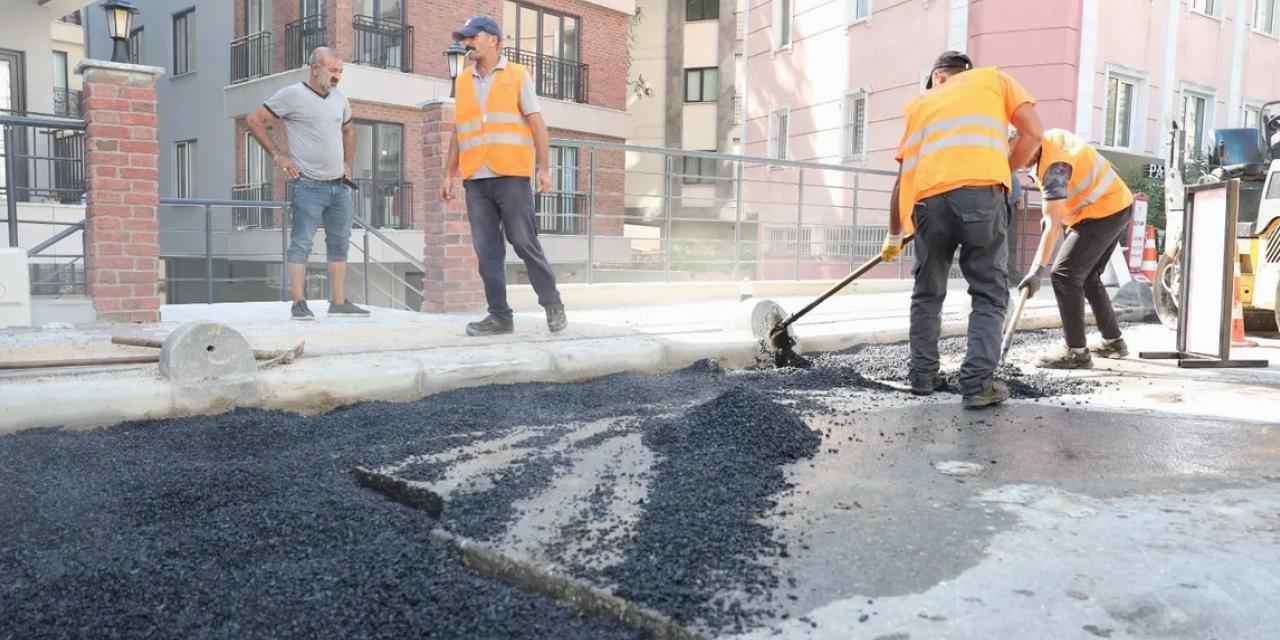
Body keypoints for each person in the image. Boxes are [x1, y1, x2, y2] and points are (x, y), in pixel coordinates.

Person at [881, 51, 1044, 409]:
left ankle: (922, 377)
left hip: (928, 204)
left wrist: (894, 235)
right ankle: (977, 384)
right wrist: (1003, 169)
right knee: (988, 292)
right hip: (981, 200)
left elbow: (901, 179)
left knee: (927, 293)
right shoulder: (994, 80)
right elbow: (1034, 132)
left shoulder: (920, 104)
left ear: (937, 76)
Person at [441, 16, 567, 336]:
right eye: (465, 37)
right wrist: (448, 174)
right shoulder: (463, 81)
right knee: (487, 252)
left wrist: (543, 167)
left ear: (493, 40)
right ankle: (500, 316)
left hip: (510, 173)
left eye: (473, 36)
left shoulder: (517, 75)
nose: (467, 42)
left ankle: (552, 303)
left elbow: (537, 124)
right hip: (475, 179)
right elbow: (459, 131)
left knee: (523, 241)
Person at [246, 47, 367, 320]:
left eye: (340, 71)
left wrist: (349, 165)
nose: (337, 77)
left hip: (340, 186)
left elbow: (349, 130)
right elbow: (254, 120)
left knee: (340, 243)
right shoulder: (292, 95)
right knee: (301, 243)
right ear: (314, 68)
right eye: (332, 70)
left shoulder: (340, 99)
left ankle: (338, 302)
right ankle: (299, 302)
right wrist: (278, 155)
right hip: (308, 185)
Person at [1016, 129, 1134, 368]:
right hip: (1116, 205)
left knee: (1064, 275)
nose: (1016, 161)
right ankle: (1113, 342)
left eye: (1017, 154)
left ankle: (1076, 352)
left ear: (1028, 142)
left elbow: (1052, 224)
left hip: (1102, 212)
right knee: (1088, 276)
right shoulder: (1051, 138)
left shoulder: (1054, 167)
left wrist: (1037, 271)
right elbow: (1057, 209)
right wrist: (1055, 214)